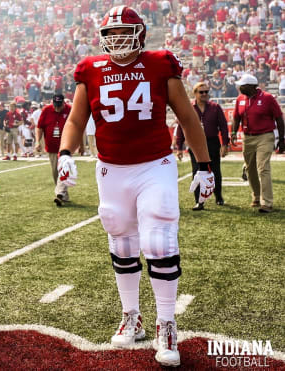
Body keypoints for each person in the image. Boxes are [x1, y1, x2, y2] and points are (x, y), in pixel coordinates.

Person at [56, 6, 214, 367]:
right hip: (111, 169)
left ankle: (167, 323)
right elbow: (77, 118)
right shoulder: (91, 70)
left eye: (123, 32)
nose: (116, 40)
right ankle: (132, 316)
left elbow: (187, 116)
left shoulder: (160, 64)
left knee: (159, 240)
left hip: (154, 165)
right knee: (122, 240)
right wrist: (65, 151)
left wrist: (203, 166)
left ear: (141, 34)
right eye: (110, 35)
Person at [231, 73, 285, 213]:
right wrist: (233, 133)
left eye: (242, 85)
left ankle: (267, 202)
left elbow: (279, 119)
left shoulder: (268, 98)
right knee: (250, 168)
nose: (240, 88)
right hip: (247, 137)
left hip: (265, 136)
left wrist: (282, 140)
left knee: (263, 168)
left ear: (251, 86)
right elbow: (236, 118)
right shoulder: (240, 99)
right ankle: (256, 196)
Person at [176, 82, 229, 210]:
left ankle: (218, 197)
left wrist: (225, 144)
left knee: (215, 171)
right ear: (195, 93)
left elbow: (223, 126)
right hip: (195, 143)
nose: (204, 94)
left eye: (206, 92)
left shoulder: (215, 107)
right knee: (197, 171)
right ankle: (199, 201)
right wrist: (179, 147)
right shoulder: (188, 107)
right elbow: (181, 127)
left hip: (212, 142)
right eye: (201, 92)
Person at [36, 94, 71, 206]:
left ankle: (59, 194)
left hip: (66, 146)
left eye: (59, 105)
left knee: (63, 169)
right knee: (55, 172)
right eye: (55, 105)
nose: (57, 108)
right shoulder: (46, 110)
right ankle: (63, 194)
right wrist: (37, 141)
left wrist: (80, 144)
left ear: (63, 103)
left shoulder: (70, 110)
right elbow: (39, 127)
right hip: (51, 147)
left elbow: (77, 126)